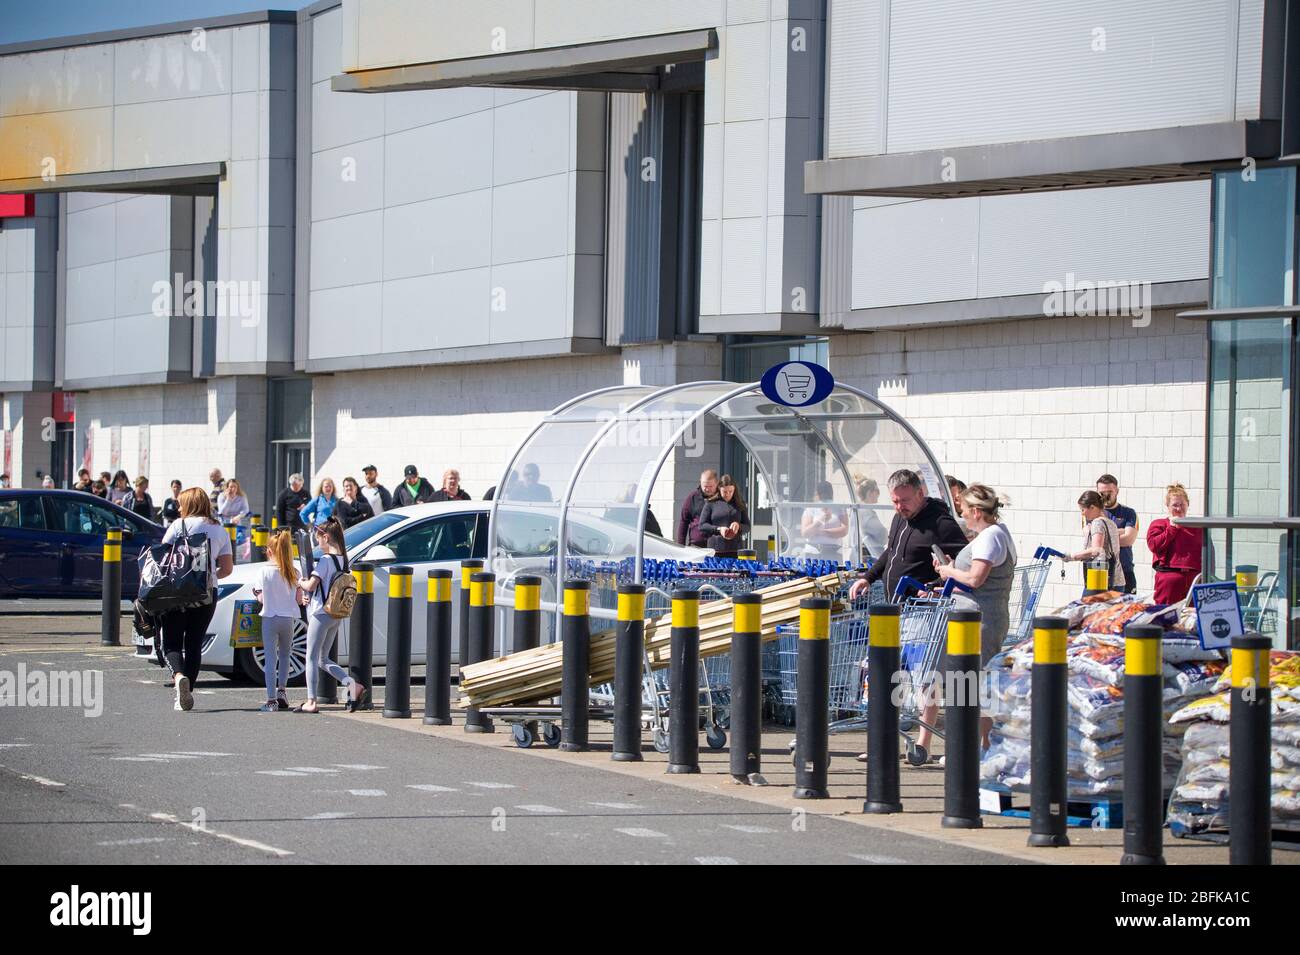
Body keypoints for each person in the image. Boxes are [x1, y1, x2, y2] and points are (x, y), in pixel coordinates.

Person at [933, 484, 1018, 751]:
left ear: (977, 511)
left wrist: (949, 571)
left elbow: (976, 578)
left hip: (980, 621)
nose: (963, 515)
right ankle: (978, 746)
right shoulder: (995, 534)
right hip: (978, 615)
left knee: (971, 683)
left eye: (965, 510)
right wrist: (950, 579)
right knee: (972, 684)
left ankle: (974, 748)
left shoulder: (990, 537)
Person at [158, 488, 234, 711]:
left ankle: (179, 676)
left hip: (177, 592)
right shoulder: (219, 529)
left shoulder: (177, 526)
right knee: (194, 643)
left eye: (181, 504)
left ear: (189, 505)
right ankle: (187, 692)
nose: (179, 508)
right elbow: (227, 568)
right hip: (206, 593)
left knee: (171, 642)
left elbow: (162, 558)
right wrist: (208, 577)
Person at [848, 469, 968, 601]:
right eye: (895, 502)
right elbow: (891, 552)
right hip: (894, 607)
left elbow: (966, 560)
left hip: (921, 611)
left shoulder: (941, 523)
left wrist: (935, 586)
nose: (899, 507)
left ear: (920, 494)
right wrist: (868, 578)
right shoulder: (899, 517)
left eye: (905, 500)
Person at [294, 518, 364, 713]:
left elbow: (311, 585)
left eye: (318, 539)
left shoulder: (325, 560)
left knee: (311, 657)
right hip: (335, 614)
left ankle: (311, 701)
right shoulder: (343, 559)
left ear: (326, 537)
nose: (318, 543)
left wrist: (300, 582)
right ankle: (352, 685)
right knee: (322, 659)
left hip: (320, 613)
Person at [251, 529, 301, 712]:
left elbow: (261, 598)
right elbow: (298, 598)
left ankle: (271, 700)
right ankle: (282, 692)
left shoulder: (263, 572)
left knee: (270, 659)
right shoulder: (293, 571)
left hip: (270, 617)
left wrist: (257, 594)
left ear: (269, 551)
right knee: (286, 655)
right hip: (288, 618)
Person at [1146, 484, 1204, 605]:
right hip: (1169, 578)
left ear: (1187, 504)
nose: (1178, 509)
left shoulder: (1197, 526)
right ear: (1167, 506)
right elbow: (1154, 546)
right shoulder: (1159, 524)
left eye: (1182, 504)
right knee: (1166, 616)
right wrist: (1172, 529)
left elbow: (1209, 553)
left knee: (1194, 617)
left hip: (1195, 579)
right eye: (1175, 505)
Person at [1070, 490, 1126, 594]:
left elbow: (1096, 550)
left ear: (1092, 507)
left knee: (1086, 609)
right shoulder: (1111, 523)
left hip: (1100, 580)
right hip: (1117, 580)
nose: (1082, 513)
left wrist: (1071, 556)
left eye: (1083, 510)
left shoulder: (1097, 523)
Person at [1097, 473, 1138, 595]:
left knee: (1127, 611)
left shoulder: (1129, 513)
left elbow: (1128, 540)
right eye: (1101, 493)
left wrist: (1105, 534)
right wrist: (1120, 531)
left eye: (1110, 492)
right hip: (1100, 570)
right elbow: (1093, 540)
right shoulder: (1093, 511)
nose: (1106, 496)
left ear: (1117, 491)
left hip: (1125, 570)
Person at [697, 475, 749, 556]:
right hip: (715, 550)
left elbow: (747, 526)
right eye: (724, 492)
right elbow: (702, 525)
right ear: (719, 489)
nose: (728, 494)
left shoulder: (739, 504)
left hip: (735, 550)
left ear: (734, 490)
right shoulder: (711, 503)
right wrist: (718, 529)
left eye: (730, 491)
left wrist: (738, 526)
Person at [800, 480, 849, 560]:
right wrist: (821, 520)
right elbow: (805, 533)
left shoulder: (840, 507)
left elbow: (844, 531)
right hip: (814, 551)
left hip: (834, 551)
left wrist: (821, 532)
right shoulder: (811, 508)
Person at [676, 469, 719, 546]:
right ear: (700, 482)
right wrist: (680, 545)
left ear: (717, 483)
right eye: (705, 486)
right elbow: (683, 522)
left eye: (711, 486)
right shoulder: (692, 497)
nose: (707, 489)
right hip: (696, 545)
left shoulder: (721, 498)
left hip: (718, 545)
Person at [855, 477, 889, 560]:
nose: (878, 494)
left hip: (867, 553)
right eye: (877, 491)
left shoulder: (861, 509)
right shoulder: (865, 512)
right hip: (870, 556)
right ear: (870, 493)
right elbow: (882, 534)